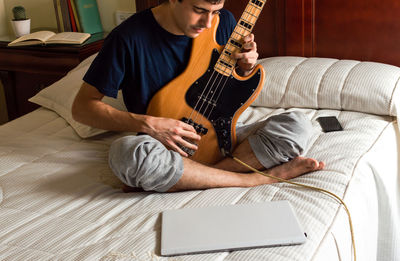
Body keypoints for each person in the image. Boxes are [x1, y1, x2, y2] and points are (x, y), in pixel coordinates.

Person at [72, 0, 324, 193]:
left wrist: (244, 68)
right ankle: (251, 179)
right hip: (165, 145)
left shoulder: (223, 21)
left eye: (215, 10)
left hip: (222, 137)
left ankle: (195, 177)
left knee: (299, 124)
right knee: (127, 153)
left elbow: (220, 88)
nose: (207, 22)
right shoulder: (127, 37)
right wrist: (148, 124)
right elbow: (82, 108)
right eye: (199, 9)